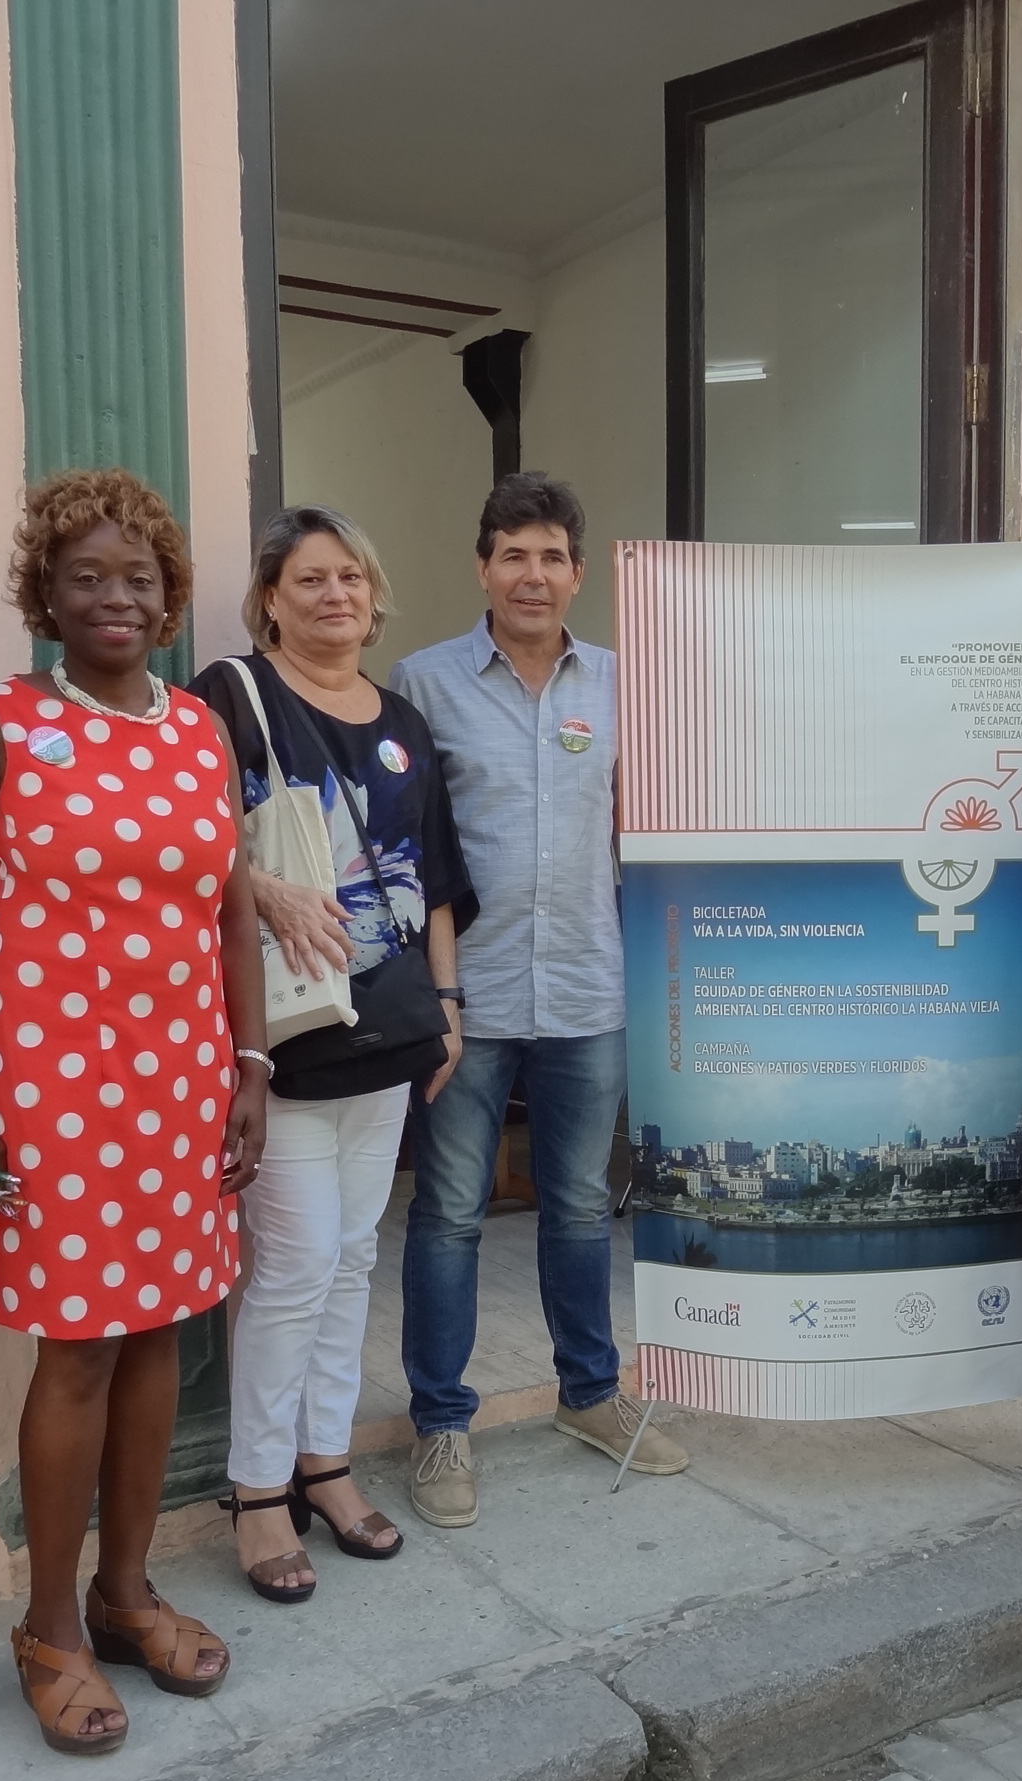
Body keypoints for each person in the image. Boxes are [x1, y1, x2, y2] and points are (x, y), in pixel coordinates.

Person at [0, 470, 263, 1756]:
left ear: (171, 598)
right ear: (44, 597)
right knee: (78, 1351)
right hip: (45, 1088)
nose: (114, 597)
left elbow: (229, 906)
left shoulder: (197, 731)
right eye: (85, 577)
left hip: (180, 1081)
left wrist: (251, 1064)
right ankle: (49, 1628)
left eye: (138, 578)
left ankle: (128, 1595)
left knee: (165, 1331)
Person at [388, 472, 686, 1526]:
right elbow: (404, 848)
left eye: (552, 555)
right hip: (464, 994)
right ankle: (441, 1426)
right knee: (451, 1214)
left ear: (578, 572)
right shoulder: (422, 687)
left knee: (576, 1210)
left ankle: (590, 1395)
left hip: (587, 986)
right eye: (513, 554)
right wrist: (433, 988)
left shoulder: (621, 683)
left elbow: (654, 824)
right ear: (482, 569)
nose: (532, 573)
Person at [191, 507, 474, 1596]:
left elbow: (433, 875)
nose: (334, 595)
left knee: (353, 1255)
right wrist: (258, 886)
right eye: (309, 579)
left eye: (351, 576)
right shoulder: (231, 695)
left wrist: (448, 1007)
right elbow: (189, 837)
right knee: (297, 1263)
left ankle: (324, 1462)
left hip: (390, 1027)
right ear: (270, 597)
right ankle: (258, 1493)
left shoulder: (401, 716)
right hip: (285, 1032)